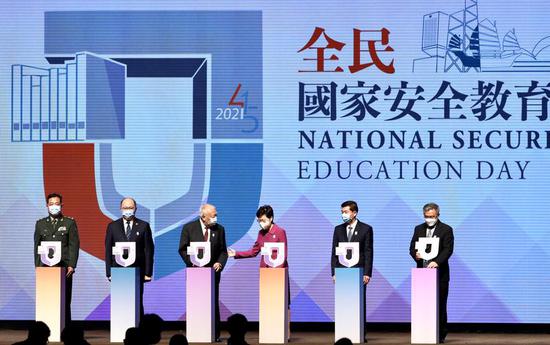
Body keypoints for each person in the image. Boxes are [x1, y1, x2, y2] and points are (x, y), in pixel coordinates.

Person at [178, 204, 228, 342]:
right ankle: (196, 332)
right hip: (195, 273)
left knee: (213, 302)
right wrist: (191, 261)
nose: (215, 218)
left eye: (216, 214)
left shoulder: (220, 229)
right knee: (196, 302)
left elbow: (223, 251)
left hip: (212, 273)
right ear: (203, 216)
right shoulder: (189, 228)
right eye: (213, 215)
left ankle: (215, 334)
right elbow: (182, 249)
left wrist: (220, 262)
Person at [409, 202, 454, 343]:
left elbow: (448, 249)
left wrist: (437, 262)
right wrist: (415, 254)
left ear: (438, 215)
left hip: (440, 274)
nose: (430, 219)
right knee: (422, 305)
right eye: (427, 216)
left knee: (440, 304)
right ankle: (423, 333)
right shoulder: (418, 229)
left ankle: (440, 335)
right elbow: (411, 247)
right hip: (422, 274)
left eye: (432, 216)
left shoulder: (446, 229)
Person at [34, 193, 80, 324]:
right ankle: (46, 329)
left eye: (57, 204)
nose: (54, 206)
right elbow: (37, 247)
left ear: (61, 205)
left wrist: (72, 265)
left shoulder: (69, 222)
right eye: (51, 204)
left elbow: (73, 245)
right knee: (47, 299)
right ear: (47, 206)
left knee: (64, 299)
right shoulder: (40, 224)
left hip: (64, 267)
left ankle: (65, 329)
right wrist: (38, 267)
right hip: (45, 269)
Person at [105, 197, 155, 319]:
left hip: (137, 271)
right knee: (120, 300)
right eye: (125, 207)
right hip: (118, 271)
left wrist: (148, 273)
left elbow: (149, 250)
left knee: (137, 301)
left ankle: (139, 329)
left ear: (135, 209)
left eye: (130, 207)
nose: (128, 210)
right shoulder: (112, 226)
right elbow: (108, 250)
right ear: (121, 208)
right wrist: (109, 272)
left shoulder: (143, 226)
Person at [331, 200, 373, 342]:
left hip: (359, 272)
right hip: (342, 273)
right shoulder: (338, 229)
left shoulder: (366, 229)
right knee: (344, 303)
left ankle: (361, 334)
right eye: (342, 212)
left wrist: (367, 273)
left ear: (354, 213)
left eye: (346, 212)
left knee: (359, 304)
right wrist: (334, 272)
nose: (343, 214)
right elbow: (334, 253)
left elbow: (368, 252)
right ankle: (344, 334)